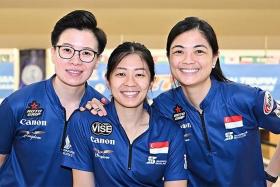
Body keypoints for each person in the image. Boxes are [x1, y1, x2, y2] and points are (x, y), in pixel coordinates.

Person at [88, 17, 280, 187]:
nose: (188, 60)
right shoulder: (164, 106)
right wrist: (97, 105)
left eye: (199, 51)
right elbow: (130, 115)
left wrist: (270, 176)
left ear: (214, 58)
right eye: (179, 51)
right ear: (170, 58)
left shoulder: (245, 98)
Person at [0, 10, 107, 186]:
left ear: (97, 60)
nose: (76, 61)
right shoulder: (17, 104)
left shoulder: (103, 112)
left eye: (86, 53)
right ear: (53, 53)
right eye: (67, 50)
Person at [62, 42, 188, 187]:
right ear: (108, 80)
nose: (130, 83)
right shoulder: (84, 122)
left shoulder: (170, 132)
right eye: (121, 74)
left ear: (152, 81)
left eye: (139, 74)